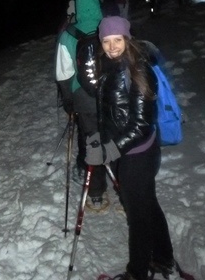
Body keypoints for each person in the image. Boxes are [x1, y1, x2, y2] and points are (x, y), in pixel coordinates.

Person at [87, 16, 175, 280]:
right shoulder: (108, 65)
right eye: (106, 41)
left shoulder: (138, 70)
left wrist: (110, 150)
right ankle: (163, 257)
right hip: (124, 150)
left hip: (138, 154)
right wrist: (100, 137)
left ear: (127, 39)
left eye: (117, 40)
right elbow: (111, 110)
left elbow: (141, 125)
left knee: (138, 216)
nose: (112, 46)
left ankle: (137, 273)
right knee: (148, 203)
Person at [54, 0, 109, 211]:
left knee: (92, 141)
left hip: (84, 99)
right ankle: (122, 181)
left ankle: (96, 192)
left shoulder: (69, 34)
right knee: (115, 137)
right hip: (111, 95)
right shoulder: (109, 27)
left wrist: (69, 101)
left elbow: (63, 74)